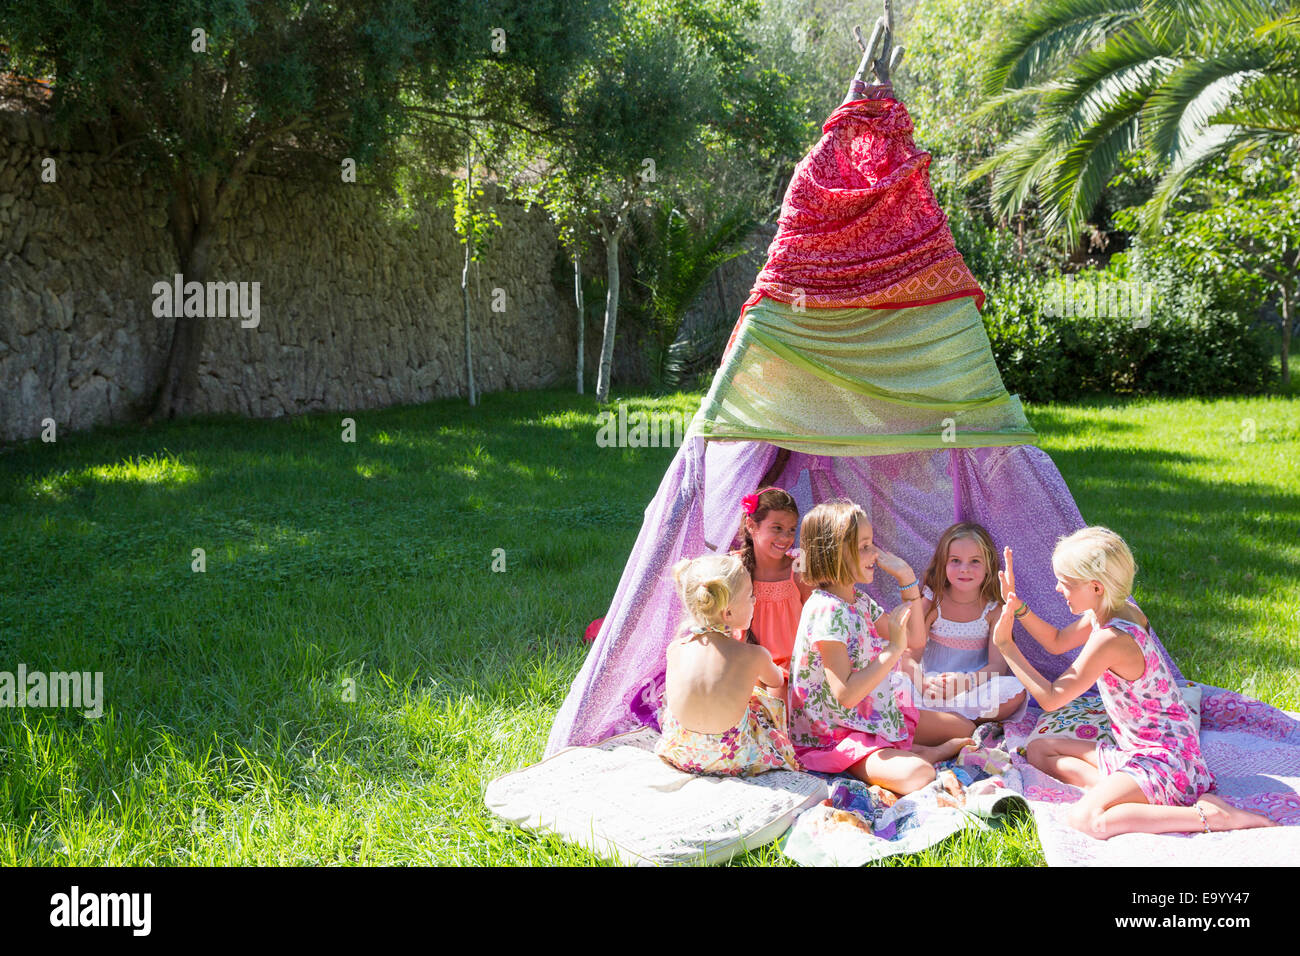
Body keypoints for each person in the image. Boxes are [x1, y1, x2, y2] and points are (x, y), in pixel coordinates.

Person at [997, 526, 1278, 838]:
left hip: (1166, 762)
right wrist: (1016, 605)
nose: (1058, 589)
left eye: (1066, 583)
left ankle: (1207, 815)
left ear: (1095, 587)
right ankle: (1127, 794)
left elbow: (1051, 698)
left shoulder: (1111, 638)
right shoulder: (1116, 610)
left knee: (1086, 819)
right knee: (1038, 750)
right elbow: (1057, 641)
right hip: (1141, 751)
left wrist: (1006, 647)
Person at [787, 500, 975, 794]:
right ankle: (922, 754)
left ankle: (908, 749)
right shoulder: (827, 611)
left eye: (871, 544)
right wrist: (893, 650)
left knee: (966, 728)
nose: (874, 553)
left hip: (870, 714)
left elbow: (915, 639)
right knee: (918, 774)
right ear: (834, 552)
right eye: (863, 547)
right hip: (836, 735)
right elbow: (846, 695)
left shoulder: (858, 601)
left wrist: (907, 578)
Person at [654, 554, 801, 776]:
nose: (754, 601)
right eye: (751, 596)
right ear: (728, 612)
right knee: (760, 699)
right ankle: (781, 742)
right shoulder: (754, 655)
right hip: (731, 758)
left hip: (679, 752)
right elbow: (777, 682)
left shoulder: (675, 648)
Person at [907, 522, 1026, 726]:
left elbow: (997, 665)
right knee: (895, 685)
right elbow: (910, 655)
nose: (965, 569)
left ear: (989, 566)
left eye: (975, 561)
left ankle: (951, 724)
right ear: (943, 563)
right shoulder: (933, 600)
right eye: (955, 560)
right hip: (932, 686)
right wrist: (924, 683)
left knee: (1015, 691)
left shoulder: (994, 610)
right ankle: (957, 725)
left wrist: (965, 683)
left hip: (973, 687)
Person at [731, 486, 812, 695]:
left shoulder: (798, 570)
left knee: (774, 706)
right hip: (743, 663)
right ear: (751, 525)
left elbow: (815, 622)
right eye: (777, 528)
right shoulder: (734, 568)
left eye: (791, 529)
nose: (785, 538)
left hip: (789, 669)